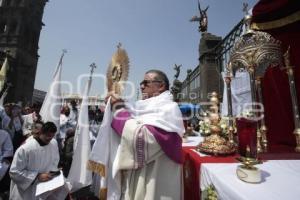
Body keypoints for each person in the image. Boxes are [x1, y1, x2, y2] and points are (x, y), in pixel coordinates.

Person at [90, 69, 185, 199]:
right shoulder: (142, 107)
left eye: (146, 83)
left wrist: (118, 110)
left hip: (155, 179)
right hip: (136, 174)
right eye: (141, 83)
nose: (141, 86)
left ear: (161, 86)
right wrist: (119, 106)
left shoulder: (169, 109)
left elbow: (144, 139)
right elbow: (132, 120)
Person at [9, 121, 68, 200]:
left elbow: (54, 161)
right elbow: (14, 172)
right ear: (41, 132)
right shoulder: (26, 149)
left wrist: (55, 172)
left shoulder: (53, 143)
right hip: (27, 191)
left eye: (52, 136)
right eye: (47, 135)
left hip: (46, 186)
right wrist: (37, 176)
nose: (49, 138)